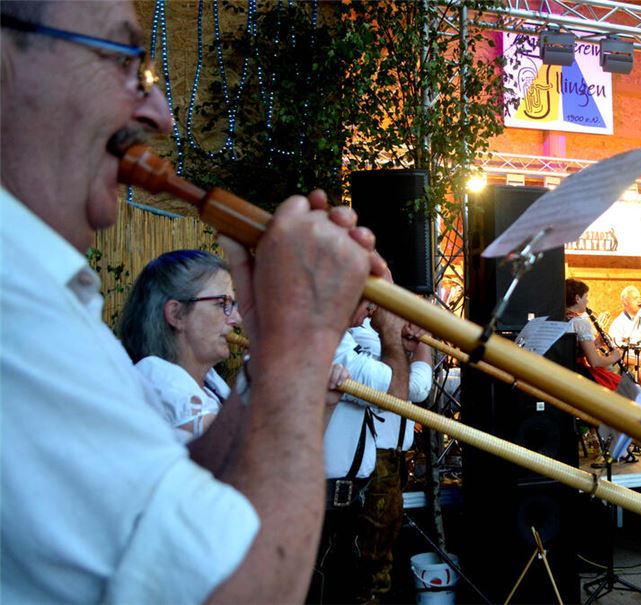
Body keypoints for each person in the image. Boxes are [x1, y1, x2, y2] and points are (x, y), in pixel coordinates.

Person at [1, 1, 383, 602]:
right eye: (124, 59)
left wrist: (269, 357)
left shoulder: (45, 302)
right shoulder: (15, 310)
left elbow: (181, 504)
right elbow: (239, 589)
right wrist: (303, 341)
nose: (159, 113)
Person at [349, 309, 433, 603]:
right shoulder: (361, 338)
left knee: (383, 550)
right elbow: (416, 388)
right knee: (373, 559)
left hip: (392, 458)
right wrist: (425, 342)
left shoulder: (381, 339)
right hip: (375, 461)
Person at [119, 249, 240, 441]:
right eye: (221, 303)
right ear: (177, 314)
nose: (236, 319)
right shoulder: (157, 378)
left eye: (233, 304)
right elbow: (240, 450)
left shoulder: (209, 381)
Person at [566, 278, 624, 391]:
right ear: (577, 298)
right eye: (586, 297)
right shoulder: (580, 323)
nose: (587, 301)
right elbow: (595, 362)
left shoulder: (560, 319)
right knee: (623, 388)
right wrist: (614, 357)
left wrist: (595, 344)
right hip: (581, 374)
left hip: (565, 372)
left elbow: (572, 351)